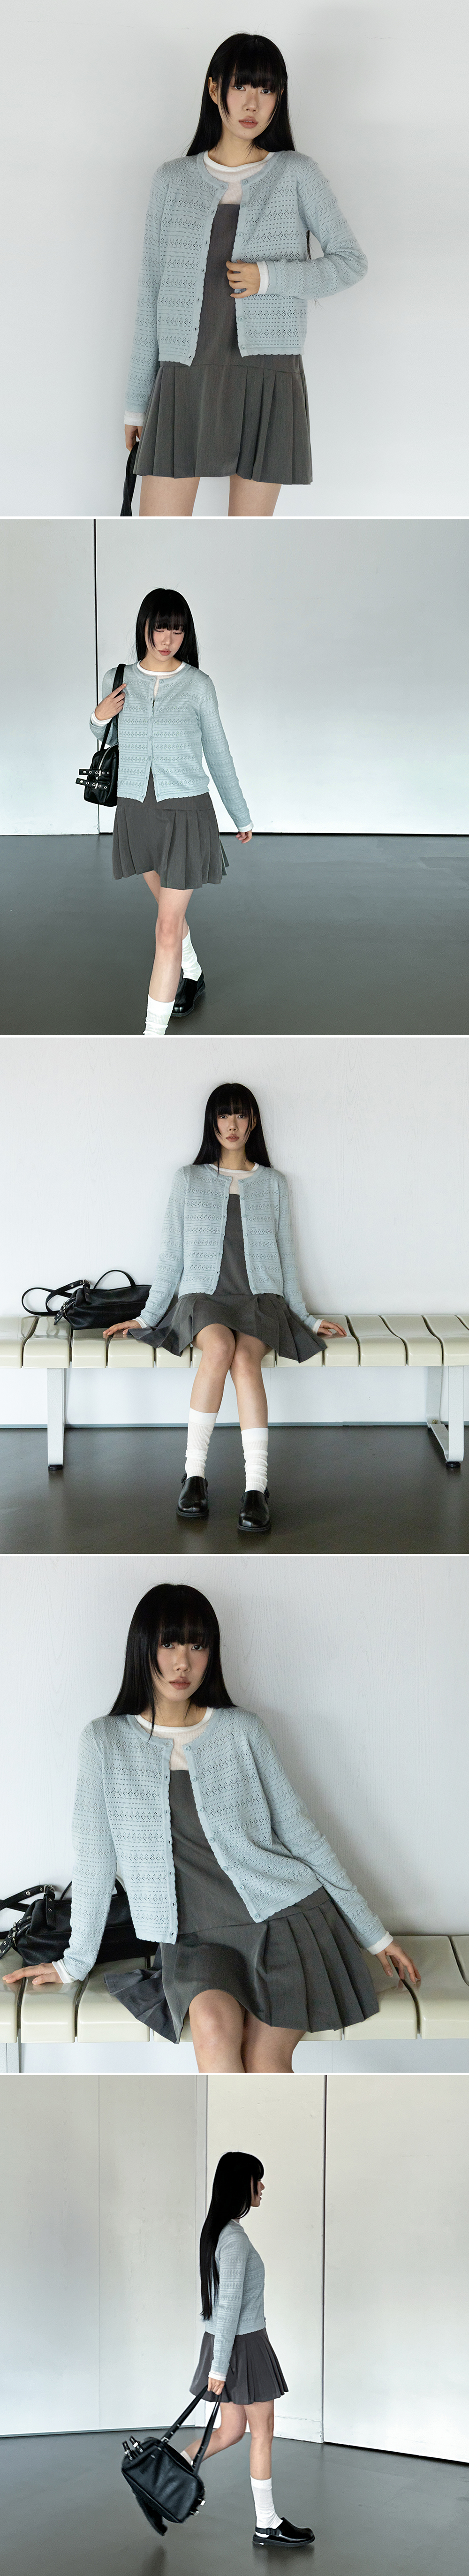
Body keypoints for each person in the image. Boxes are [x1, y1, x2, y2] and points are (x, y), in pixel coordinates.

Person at [5, 1584, 420, 2072]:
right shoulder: (104, 1742)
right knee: (213, 2030)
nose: (182, 1662)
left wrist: (374, 1935)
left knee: (266, 2062)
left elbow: (302, 1836)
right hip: (193, 1940)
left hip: (284, 1920)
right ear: (143, 1648)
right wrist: (73, 1963)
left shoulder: (242, 1730)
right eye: (169, 1643)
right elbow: (95, 1861)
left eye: (197, 1645)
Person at [124, 30, 367, 519]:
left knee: (249, 538)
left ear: (279, 97)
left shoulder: (297, 174)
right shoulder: (172, 180)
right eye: (241, 86)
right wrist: (136, 403)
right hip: (185, 379)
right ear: (215, 89)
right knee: (157, 531)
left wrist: (269, 278)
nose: (253, 103)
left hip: (267, 378)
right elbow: (151, 292)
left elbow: (350, 262)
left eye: (267, 89)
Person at [103, 1080, 346, 1534]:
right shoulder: (188, 1179)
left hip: (260, 1299)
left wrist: (307, 1318)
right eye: (223, 1114)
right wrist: (146, 1317)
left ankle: (257, 1487)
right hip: (203, 1298)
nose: (232, 1124)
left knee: (245, 1361)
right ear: (212, 1122)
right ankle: (194, 1476)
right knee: (218, 1350)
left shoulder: (274, 1184)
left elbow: (287, 1257)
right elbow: (171, 1257)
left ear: (253, 1122)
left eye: (240, 1114)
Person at [90, 587, 251, 1035]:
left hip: (186, 814)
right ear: (145, 626)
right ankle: (193, 971)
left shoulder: (199, 686)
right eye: (160, 628)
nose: (167, 639)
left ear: (186, 635)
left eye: (177, 631)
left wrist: (240, 814)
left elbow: (218, 752)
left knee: (166, 928)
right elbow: (104, 735)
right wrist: (100, 716)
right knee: (169, 911)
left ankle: (151, 1040)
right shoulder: (118, 678)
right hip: (135, 812)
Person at [187, 2148, 313, 2551]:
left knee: (230, 2432)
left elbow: (221, 2306)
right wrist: (219, 2368)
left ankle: (167, 2475)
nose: (262, 2187)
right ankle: (267, 2524)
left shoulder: (219, 2232)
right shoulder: (234, 2239)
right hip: (243, 2346)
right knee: (263, 2433)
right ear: (241, 2185)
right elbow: (227, 2308)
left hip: (231, 2345)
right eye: (257, 2180)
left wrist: (219, 2362)